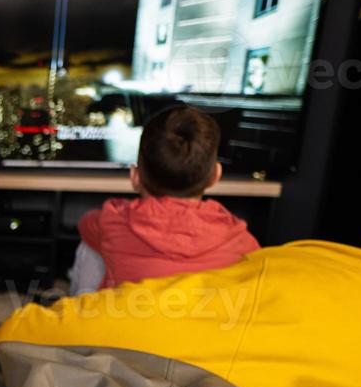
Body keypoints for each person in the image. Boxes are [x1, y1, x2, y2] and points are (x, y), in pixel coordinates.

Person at [71, 105, 260, 294]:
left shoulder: (111, 223)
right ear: (215, 175)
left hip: (130, 319)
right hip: (208, 319)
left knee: (91, 250)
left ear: (135, 176)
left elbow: (86, 224)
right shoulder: (243, 242)